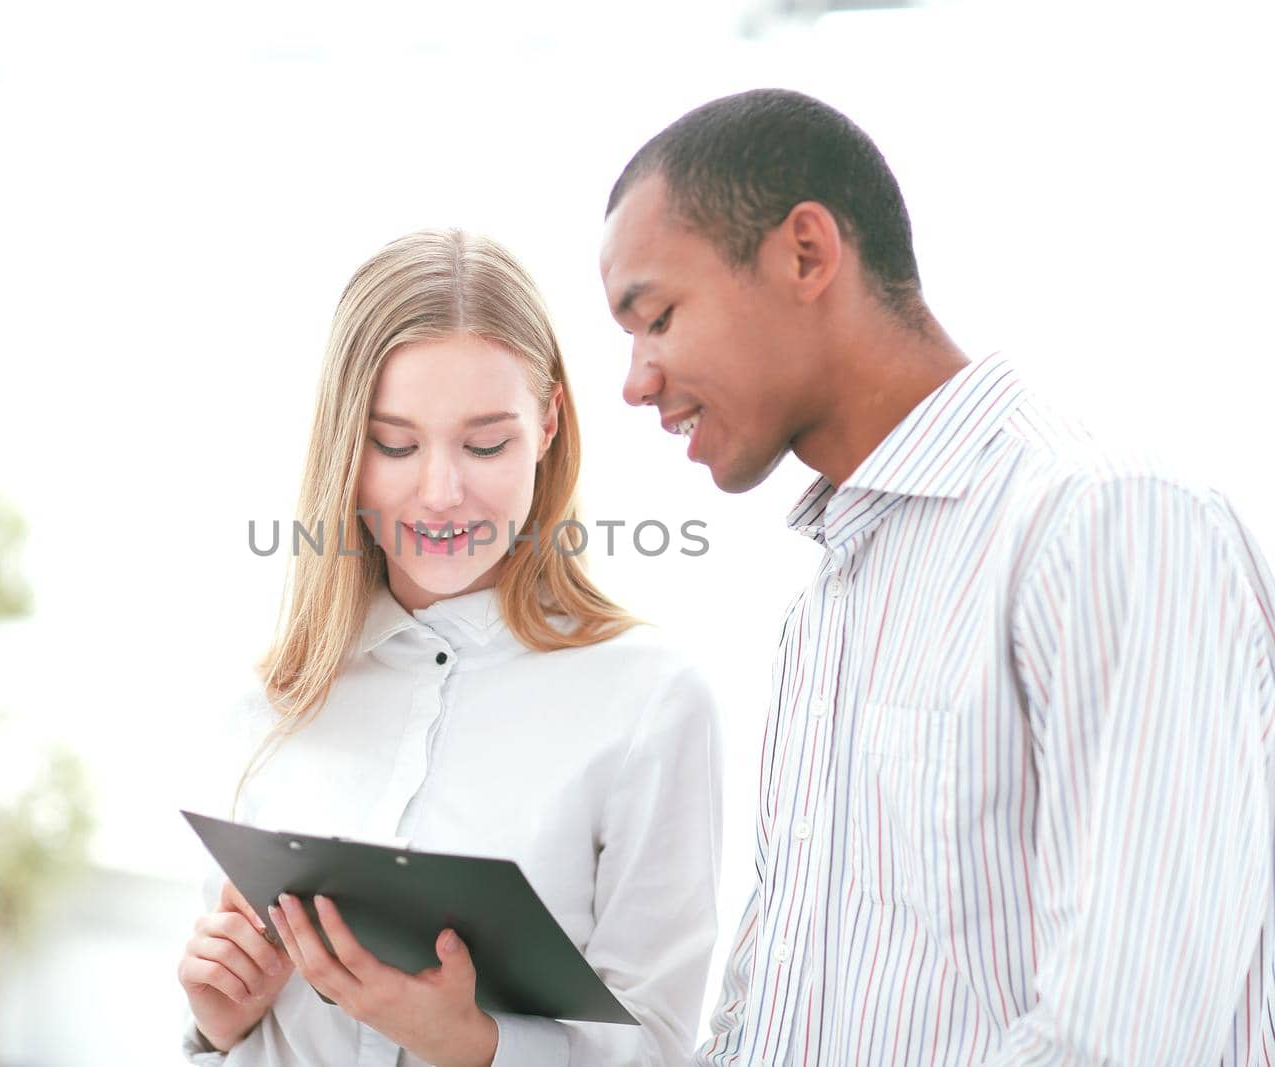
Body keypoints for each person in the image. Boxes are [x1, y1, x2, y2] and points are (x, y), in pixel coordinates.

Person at [599, 88, 1275, 1065]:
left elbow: (1131, 1030)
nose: (635, 379)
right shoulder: (824, 608)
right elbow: (768, 1020)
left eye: (656, 316)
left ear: (805, 253)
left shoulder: (1107, 522)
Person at [177, 228, 722, 1066]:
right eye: (395, 443)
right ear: (345, 447)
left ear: (547, 425)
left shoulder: (648, 701)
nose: (439, 491)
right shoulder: (276, 700)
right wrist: (219, 1029)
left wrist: (477, 1045)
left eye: (485, 443)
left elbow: (659, 1049)